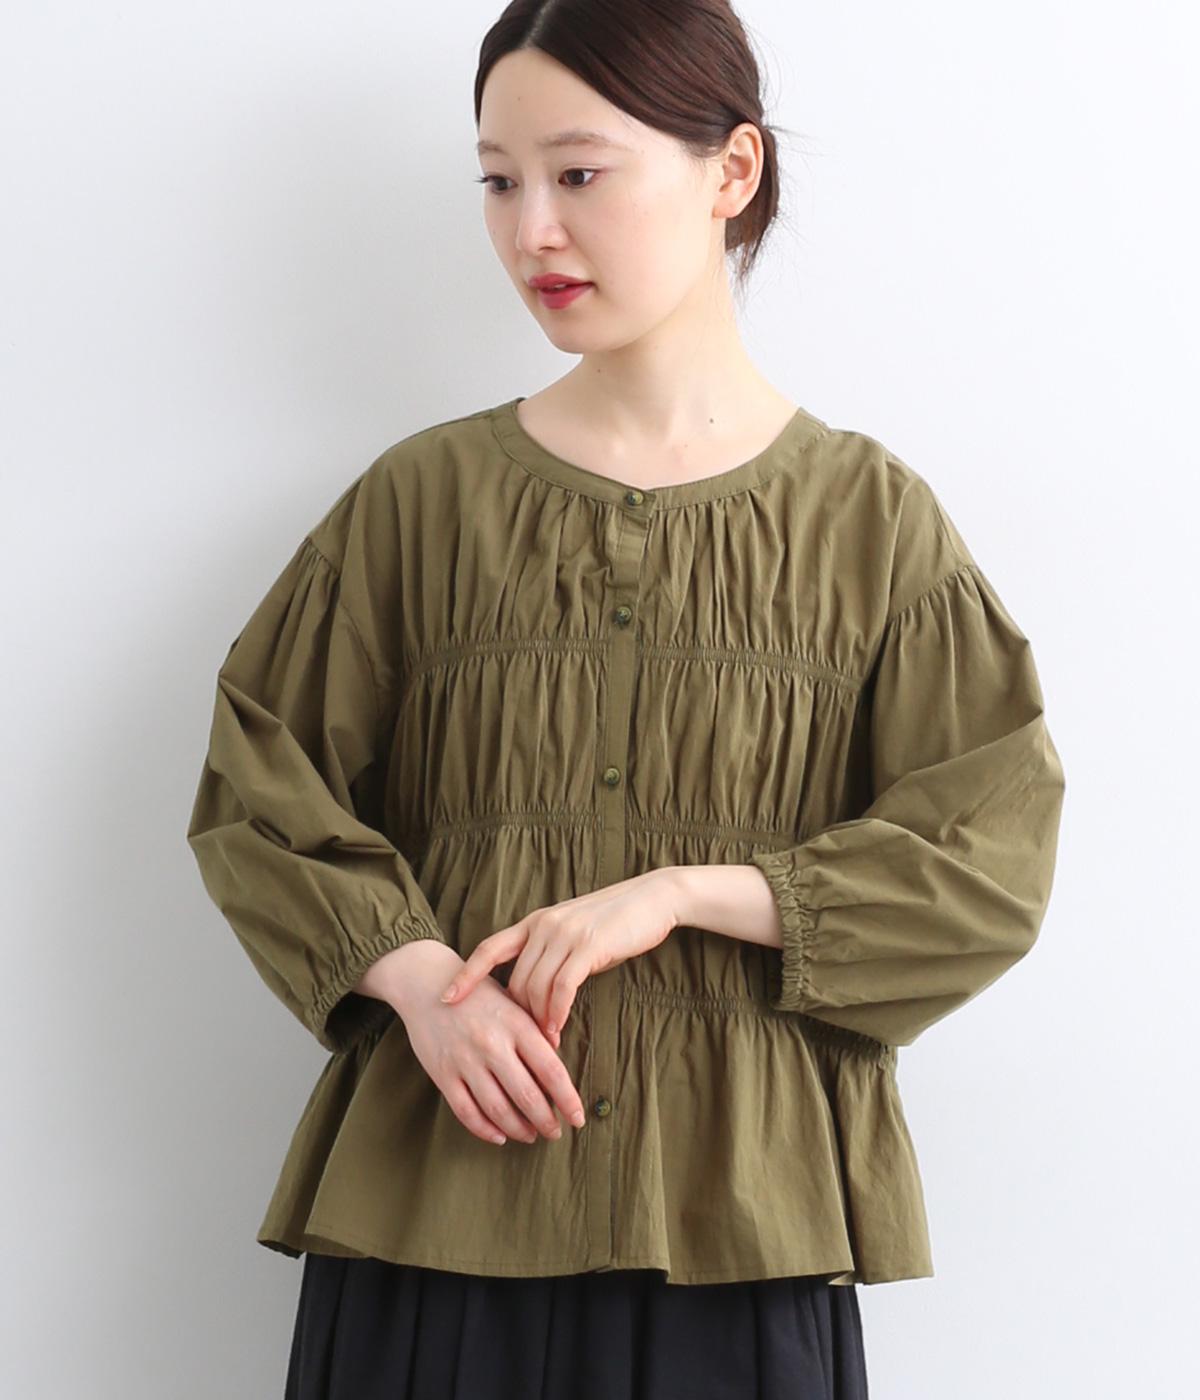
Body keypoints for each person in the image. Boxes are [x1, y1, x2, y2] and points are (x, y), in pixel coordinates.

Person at [186, 2, 1066, 1397]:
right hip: (437, 1210)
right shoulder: (420, 504)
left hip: (741, 1222)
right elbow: (259, 789)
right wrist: (417, 984)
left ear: (733, 170)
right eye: (498, 180)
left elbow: (986, 863)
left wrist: (683, 894)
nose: (532, 230)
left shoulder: (872, 526)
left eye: (580, 173)